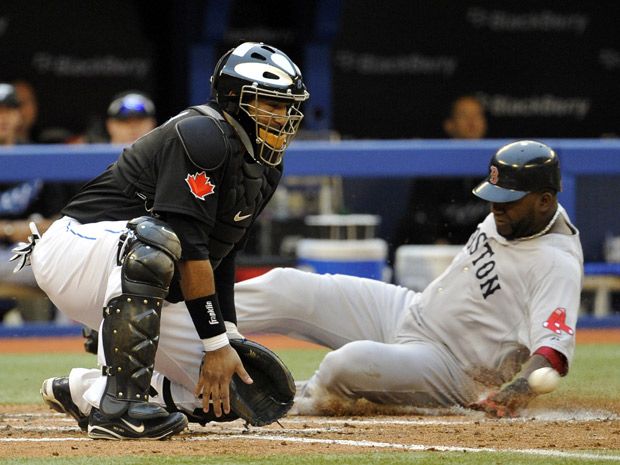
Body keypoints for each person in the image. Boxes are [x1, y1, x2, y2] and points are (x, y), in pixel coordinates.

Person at [19, 42, 309, 440]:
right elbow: (188, 247)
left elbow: (220, 258)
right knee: (157, 243)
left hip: (136, 268)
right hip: (74, 251)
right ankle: (119, 408)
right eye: (269, 104)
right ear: (233, 99)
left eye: (286, 106)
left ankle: (89, 391)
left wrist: (226, 337)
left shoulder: (265, 167)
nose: (282, 117)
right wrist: (212, 343)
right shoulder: (202, 133)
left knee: (242, 391)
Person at [232, 140, 583, 418]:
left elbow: (551, 352)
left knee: (346, 364)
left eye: (508, 201)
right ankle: (190, 318)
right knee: (288, 287)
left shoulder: (556, 263)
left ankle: (282, 402)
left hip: (451, 368)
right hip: (411, 310)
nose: (496, 208)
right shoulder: (520, 217)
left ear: (544, 201)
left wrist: (520, 388)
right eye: (494, 198)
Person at [392, 94, 489, 249]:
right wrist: (435, 244)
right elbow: (418, 221)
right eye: (464, 116)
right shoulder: (433, 168)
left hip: (486, 253)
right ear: (449, 124)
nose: (472, 122)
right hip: (442, 254)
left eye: (477, 115)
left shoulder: (498, 168)